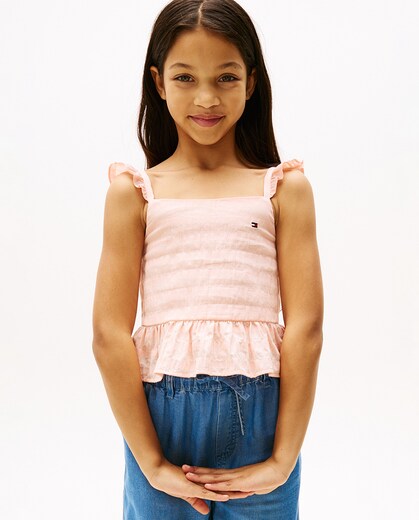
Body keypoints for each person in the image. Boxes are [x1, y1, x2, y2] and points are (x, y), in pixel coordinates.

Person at [92, 0, 324, 518]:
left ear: (251, 82)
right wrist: (151, 463)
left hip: (263, 422)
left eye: (226, 77)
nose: (206, 97)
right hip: (160, 423)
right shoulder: (136, 193)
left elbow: (306, 329)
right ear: (158, 82)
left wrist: (282, 460)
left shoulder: (283, 190)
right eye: (185, 77)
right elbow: (109, 334)